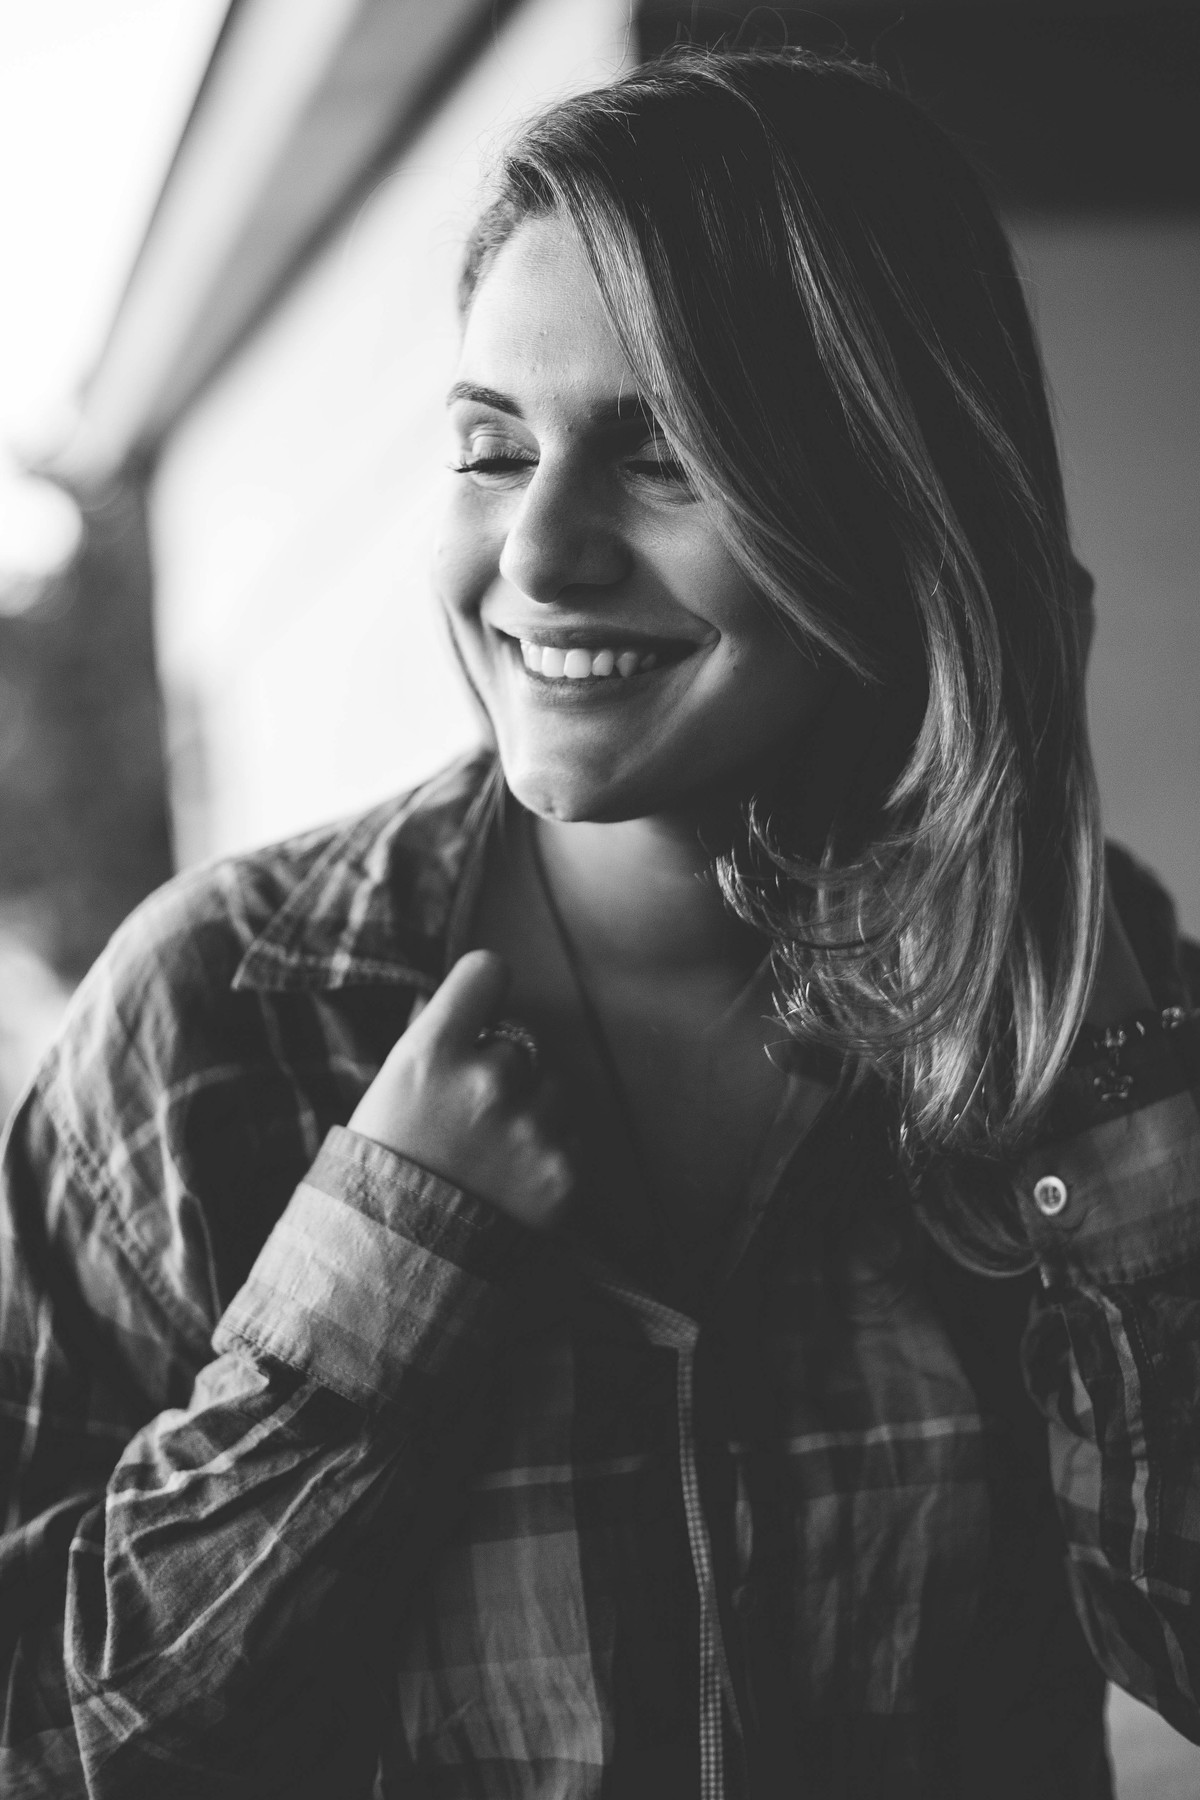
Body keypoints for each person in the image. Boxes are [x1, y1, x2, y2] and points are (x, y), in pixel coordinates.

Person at [1, 46, 1197, 1800]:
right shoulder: (212, 1023)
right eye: (493, 448)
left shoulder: (1079, 1000)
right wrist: (369, 1294)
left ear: (900, 499)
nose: (538, 555)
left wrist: (1060, 1012)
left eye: (665, 460)